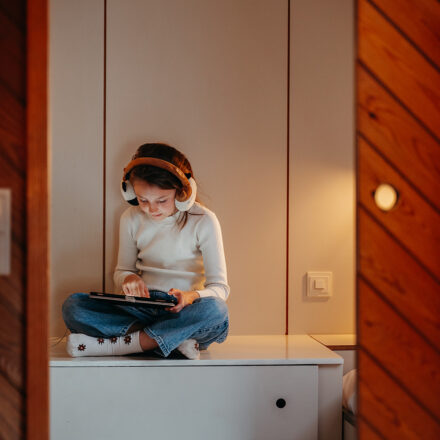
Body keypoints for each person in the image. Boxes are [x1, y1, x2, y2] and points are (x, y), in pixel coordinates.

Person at [62, 143, 230, 360]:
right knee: (74, 306)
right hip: (142, 310)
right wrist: (129, 278)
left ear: (183, 192)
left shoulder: (204, 221)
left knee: (215, 310)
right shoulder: (130, 218)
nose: (152, 209)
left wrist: (190, 297)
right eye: (143, 200)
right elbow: (122, 271)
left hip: (183, 312)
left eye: (162, 200)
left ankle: (120, 345)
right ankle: (170, 341)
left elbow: (220, 289)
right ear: (130, 192)